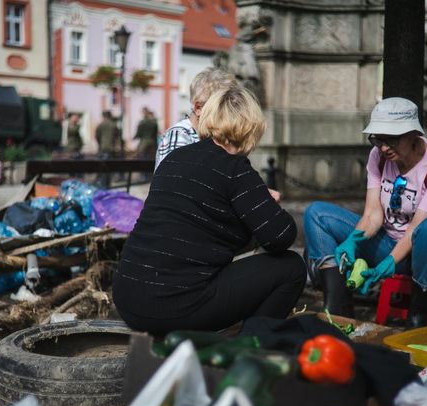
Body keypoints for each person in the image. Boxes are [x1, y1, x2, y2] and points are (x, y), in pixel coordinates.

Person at [112, 86, 306, 334]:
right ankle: (250, 348)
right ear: (251, 127)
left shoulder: (176, 158)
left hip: (129, 297)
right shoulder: (235, 170)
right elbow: (281, 237)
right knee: (291, 267)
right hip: (172, 308)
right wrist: (265, 203)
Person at [303, 97, 427, 327]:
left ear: (413, 135)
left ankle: (418, 316)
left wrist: (388, 263)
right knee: (316, 214)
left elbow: (417, 227)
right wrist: (353, 240)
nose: (383, 147)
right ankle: (338, 307)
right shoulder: (378, 156)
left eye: (391, 139)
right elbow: (373, 214)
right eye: (377, 139)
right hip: (392, 245)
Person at [156, 67, 281, 202]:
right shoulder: (179, 136)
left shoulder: (218, 137)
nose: (230, 115)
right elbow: (177, 189)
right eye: (221, 108)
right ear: (199, 108)